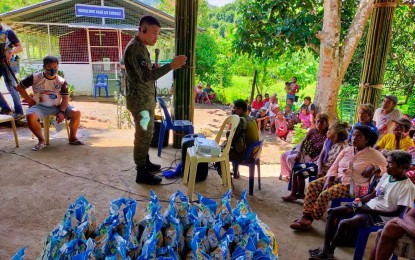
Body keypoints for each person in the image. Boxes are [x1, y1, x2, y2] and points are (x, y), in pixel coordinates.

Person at [309, 151, 415, 260]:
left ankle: (329, 252)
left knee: (344, 223)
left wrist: (367, 210)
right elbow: (373, 194)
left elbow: (397, 213)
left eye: (390, 164)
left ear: (403, 167)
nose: (387, 166)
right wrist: (359, 201)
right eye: (387, 162)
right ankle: (326, 249)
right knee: (332, 212)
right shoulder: (387, 175)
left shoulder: (408, 187)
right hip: (368, 207)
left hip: (381, 217)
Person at [123, 15, 187, 185]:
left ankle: (145, 163)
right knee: (143, 136)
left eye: (158, 34)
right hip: (140, 101)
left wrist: (152, 69)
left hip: (145, 98)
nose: (156, 37)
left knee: (148, 133)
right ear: (142, 30)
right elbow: (146, 77)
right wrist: (171, 66)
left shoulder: (141, 47)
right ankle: (141, 172)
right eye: (154, 33)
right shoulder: (135, 49)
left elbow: (143, 73)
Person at [290, 125, 387, 231]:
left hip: (354, 186)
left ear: (367, 140)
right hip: (338, 179)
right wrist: (328, 178)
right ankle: (306, 215)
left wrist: (376, 167)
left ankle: (310, 218)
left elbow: (387, 167)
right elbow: (335, 166)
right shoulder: (347, 150)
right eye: (354, 135)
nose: (354, 138)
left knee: (324, 194)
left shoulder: (373, 154)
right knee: (313, 186)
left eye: (359, 136)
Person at [15, 56, 83, 151]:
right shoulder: (35, 77)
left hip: (58, 106)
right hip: (40, 107)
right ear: (44, 67)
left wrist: (62, 112)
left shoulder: (61, 81)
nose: (53, 69)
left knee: (76, 112)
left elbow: (65, 98)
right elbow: (19, 87)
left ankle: (72, 138)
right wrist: (29, 100)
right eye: (50, 68)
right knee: (30, 116)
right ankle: (41, 141)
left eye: (55, 67)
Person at [282, 121, 349, 202]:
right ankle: (295, 194)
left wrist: (323, 171)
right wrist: (319, 167)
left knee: (300, 173)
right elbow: (322, 154)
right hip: (319, 166)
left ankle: (301, 194)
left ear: (335, 134)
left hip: (327, 170)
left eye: (329, 130)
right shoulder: (328, 141)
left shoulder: (341, 147)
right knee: (296, 168)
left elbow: (336, 164)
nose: (327, 131)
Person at [279, 114, 329, 181]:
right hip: (303, 151)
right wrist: (299, 152)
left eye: (322, 122)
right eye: (318, 121)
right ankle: (289, 174)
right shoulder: (312, 131)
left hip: (312, 156)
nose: (319, 124)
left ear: (326, 124)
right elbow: (303, 141)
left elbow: (324, 151)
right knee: (283, 155)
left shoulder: (327, 135)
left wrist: (316, 159)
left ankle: (295, 178)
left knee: (290, 159)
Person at [229, 99, 259, 178]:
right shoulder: (252, 119)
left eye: (235, 108)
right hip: (255, 152)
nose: (234, 110)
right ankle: (235, 171)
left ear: (240, 109)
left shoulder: (242, 120)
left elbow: (232, 136)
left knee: (223, 152)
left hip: (246, 154)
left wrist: (228, 132)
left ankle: (226, 177)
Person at [0, 21, 24, 119]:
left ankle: (19, 112)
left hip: (8, 63)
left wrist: (10, 52)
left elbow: (20, 47)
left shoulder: (8, 31)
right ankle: (5, 108)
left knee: (11, 87)